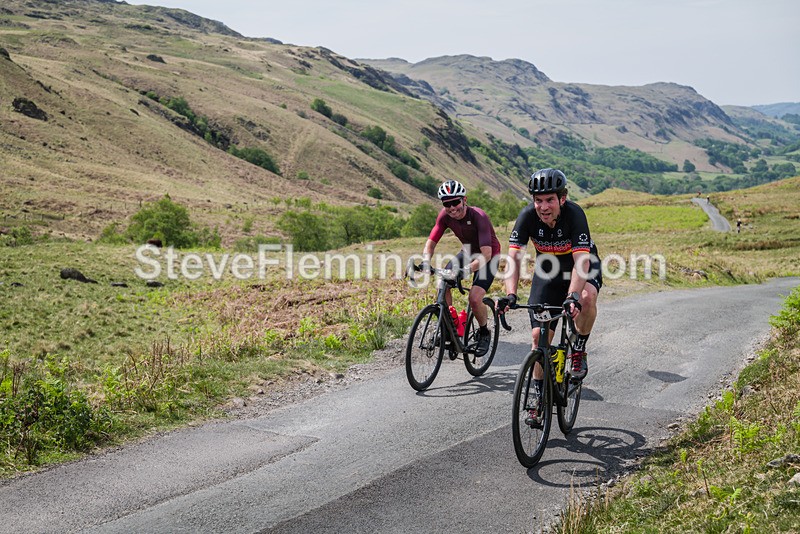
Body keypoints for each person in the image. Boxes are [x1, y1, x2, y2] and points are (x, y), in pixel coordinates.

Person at [498, 168, 601, 390]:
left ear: (562, 199)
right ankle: (538, 394)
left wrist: (573, 295)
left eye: (549, 200)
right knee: (538, 339)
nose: (543, 207)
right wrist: (510, 294)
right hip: (549, 272)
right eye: (538, 200)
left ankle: (579, 348)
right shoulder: (527, 217)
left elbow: (581, 262)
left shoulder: (575, 215)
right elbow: (513, 259)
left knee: (587, 296)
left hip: (580, 265)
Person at [422, 179, 502, 355]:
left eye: (455, 202)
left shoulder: (478, 216)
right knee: (443, 284)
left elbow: (486, 254)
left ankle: (483, 332)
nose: (452, 208)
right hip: (467, 252)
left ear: (464, 200)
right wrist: (426, 261)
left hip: (489, 256)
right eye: (447, 204)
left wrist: (464, 271)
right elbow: (431, 242)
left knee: (474, 299)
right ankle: (449, 327)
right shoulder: (444, 216)